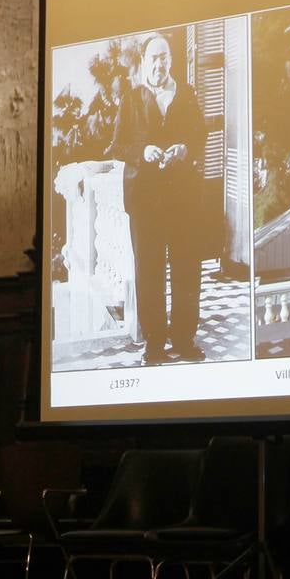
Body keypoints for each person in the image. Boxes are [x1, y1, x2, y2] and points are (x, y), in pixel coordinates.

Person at [112, 32, 206, 365]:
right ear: (144, 62)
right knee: (149, 271)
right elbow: (118, 145)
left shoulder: (187, 95)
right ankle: (155, 343)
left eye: (164, 56)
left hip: (183, 198)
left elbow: (200, 135)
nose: (159, 63)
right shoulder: (132, 98)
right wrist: (143, 151)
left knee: (186, 269)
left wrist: (186, 148)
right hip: (145, 201)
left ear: (171, 60)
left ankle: (184, 339)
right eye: (153, 57)